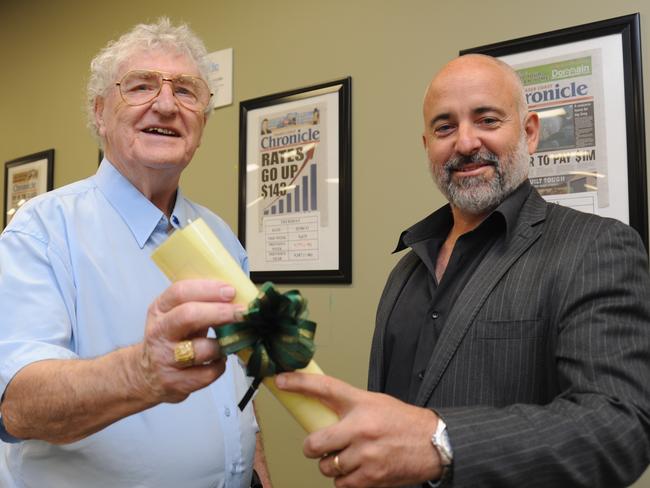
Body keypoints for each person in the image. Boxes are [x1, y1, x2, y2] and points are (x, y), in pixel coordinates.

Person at [276, 54, 650, 487]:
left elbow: (620, 425)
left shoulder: (594, 247)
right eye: (445, 127)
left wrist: (441, 443)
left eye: (487, 120)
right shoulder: (406, 270)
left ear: (529, 133)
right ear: (427, 146)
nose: (466, 143)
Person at [0, 19, 271, 488]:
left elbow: (237, 386)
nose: (166, 105)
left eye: (187, 91)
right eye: (141, 86)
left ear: (203, 121)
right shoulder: (43, 231)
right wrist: (142, 373)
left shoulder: (223, 237)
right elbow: (16, 407)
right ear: (100, 113)